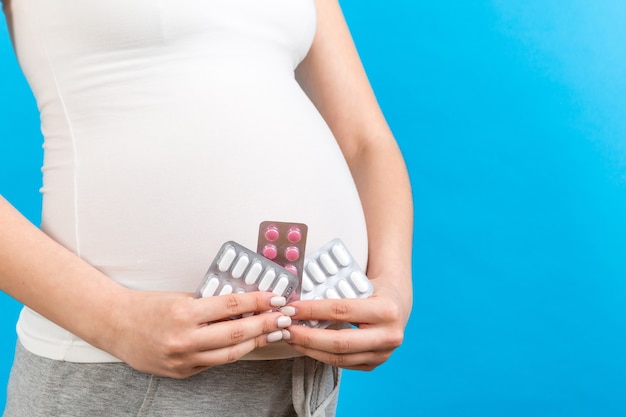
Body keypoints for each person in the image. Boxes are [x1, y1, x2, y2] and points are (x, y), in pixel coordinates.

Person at [0, 0, 413, 416]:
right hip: (122, 369)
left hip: (301, 375)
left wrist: (393, 284)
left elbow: (364, 141)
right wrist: (115, 321)